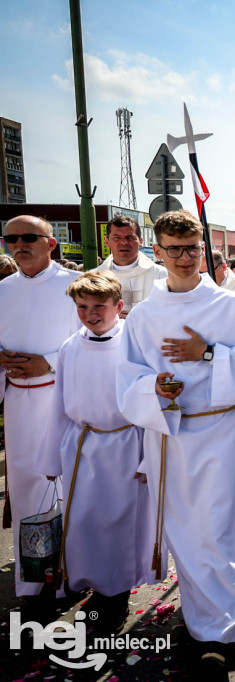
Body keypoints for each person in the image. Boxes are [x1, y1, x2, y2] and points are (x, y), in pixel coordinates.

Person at [117, 210, 235, 668]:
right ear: (158, 251)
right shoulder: (143, 316)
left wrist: (206, 353)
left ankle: (222, 631)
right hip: (170, 434)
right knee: (185, 530)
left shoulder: (232, 307)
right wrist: (156, 389)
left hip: (221, 427)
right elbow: (128, 380)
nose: (185, 258)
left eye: (192, 249)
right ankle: (201, 619)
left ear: (202, 248)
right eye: (174, 249)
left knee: (222, 528)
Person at [37, 271, 155, 634]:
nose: (90, 314)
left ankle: (115, 595)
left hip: (124, 444)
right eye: (82, 306)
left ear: (119, 307)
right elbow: (59, 404)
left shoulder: (135, 346)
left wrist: (150, 457)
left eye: (99, 306)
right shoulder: (71, 347)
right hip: (82, 444)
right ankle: (82, 579)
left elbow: (151, 403)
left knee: (117, 523)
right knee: (83, 521)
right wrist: (50, 457)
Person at [0, 216, 81, 614]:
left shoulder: (72, 287)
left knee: (66, 485)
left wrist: (47, 363)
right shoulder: (2, 290)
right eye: (11, 238)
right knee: (23, 485)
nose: (19, 244)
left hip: (59, 399)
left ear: (51, 243)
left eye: (28, 237)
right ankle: (31, 579)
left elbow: (89, 339)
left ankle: (69, 575)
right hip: (17, 400)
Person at [94, 214, 167, 315]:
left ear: (141, 242)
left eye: (130, 238)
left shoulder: (162, 276)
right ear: (107, 242)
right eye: (117, 238)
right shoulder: (94, 278)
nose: (124, 242)